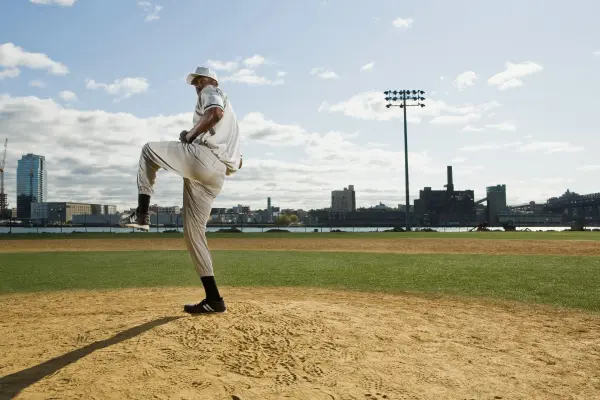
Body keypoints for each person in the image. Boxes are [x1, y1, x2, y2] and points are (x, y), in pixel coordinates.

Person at [121, 66, 242, 315]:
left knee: (148, 150)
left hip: (204, 160)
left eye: (200, 80)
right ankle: (214, 299)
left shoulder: (212, 91)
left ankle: (142, 214)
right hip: (215, 175)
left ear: (212, 80)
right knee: (193, 234)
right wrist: (198, 138)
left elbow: (214, 113)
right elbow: (238, 160)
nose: (197, 85)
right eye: (195, 82)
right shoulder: (233, 120)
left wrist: (191, 134)